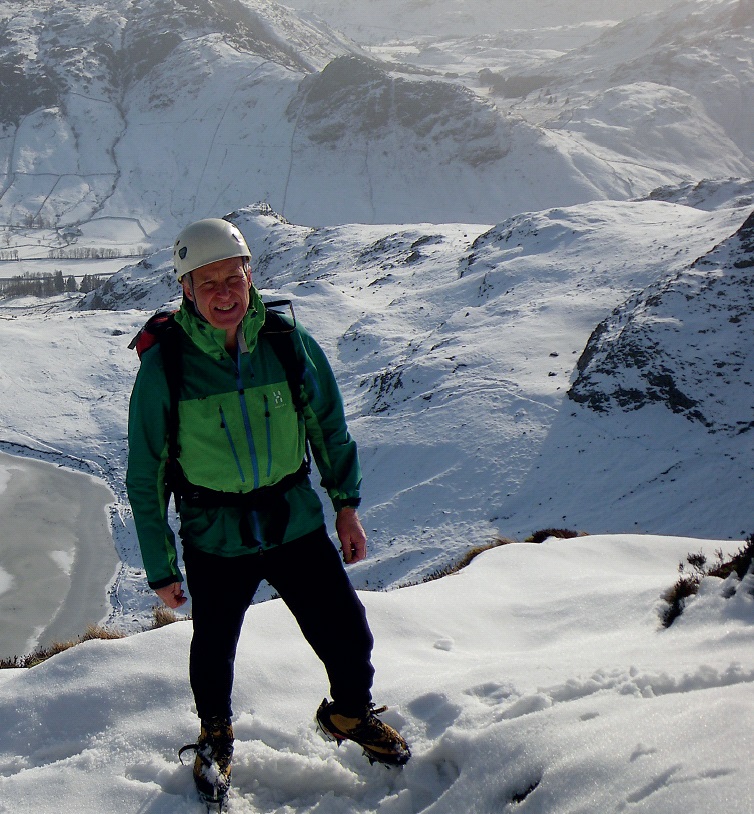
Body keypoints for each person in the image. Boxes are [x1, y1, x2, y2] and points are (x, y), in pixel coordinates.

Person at [126, 218, 410, 805]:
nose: (227, 293)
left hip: (292, 520)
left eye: (236, 276)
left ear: (251, 273)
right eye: (210, 284)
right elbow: (147, 471)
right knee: (214, 649)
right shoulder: (167, 366)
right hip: (214, 534)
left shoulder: (285, 342)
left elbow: (327, 427)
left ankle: (350, 715)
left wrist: (346, 507)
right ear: (185, 289)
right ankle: (215, 736)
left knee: (349, 635)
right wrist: (161, 564)